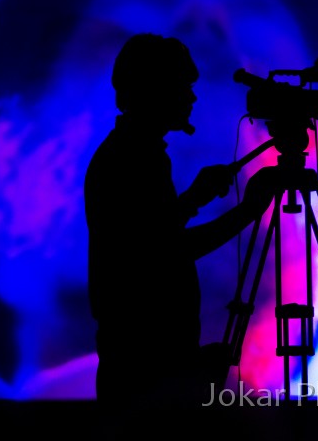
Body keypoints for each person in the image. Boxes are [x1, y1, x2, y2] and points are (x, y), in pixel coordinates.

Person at [84, 33, 278, 426]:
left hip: (142, 364)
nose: (191, 97)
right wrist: (250, 210)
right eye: (182, 87)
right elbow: (164, 251)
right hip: (147, 375)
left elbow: (147, 236)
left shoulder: (130, 153)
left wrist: (193, 198)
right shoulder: (135, 159)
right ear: (155, 90)